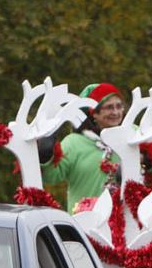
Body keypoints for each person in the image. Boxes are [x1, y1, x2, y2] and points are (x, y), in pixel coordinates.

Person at [42, 83, 126, 212]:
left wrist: (146, 161)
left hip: (126, 226)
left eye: (119, 106)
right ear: (94, 113)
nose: (115, 112)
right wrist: (44, 153)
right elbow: (51, 177)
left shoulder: (132, 136)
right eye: (109, 107)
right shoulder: (74, 143)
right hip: (84, 225)